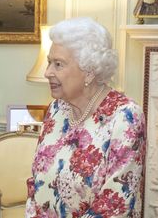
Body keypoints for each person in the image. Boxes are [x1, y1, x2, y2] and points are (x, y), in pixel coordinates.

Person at [25, 17, 146, 217]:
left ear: (89, 70)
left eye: (58, 64)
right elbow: (36, 184)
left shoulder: (125, 117)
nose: (47, 72)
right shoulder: (56, 109)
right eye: (49, 63)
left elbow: (116, 205)